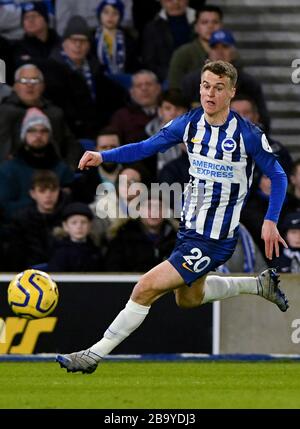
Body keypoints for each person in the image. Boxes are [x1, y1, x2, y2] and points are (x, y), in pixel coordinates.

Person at [57, 60, 289, 374]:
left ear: (231, 92)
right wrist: (104, 156)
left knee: (145, 288)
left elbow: (278, 176)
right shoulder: (189, 124)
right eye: (206, 86)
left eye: (219, 88)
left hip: (213, 237)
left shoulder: (247, 135)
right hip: (189, 228)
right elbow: (145, 147)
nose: (211, 93)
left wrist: (270, 220)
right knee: (189, 300)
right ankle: (259, 286)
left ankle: (93, 355)